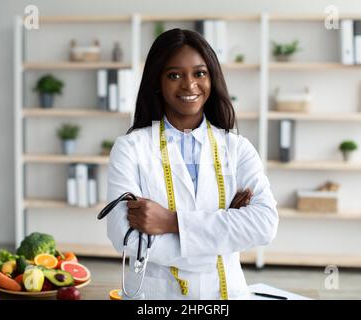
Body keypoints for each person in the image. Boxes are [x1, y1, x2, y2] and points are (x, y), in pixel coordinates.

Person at [105, 28, 278, 300]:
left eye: (200, 73)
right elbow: (126, 238)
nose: (189, 85)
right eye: (174, 75)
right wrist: (223, 235)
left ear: (212, 78)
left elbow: (265, 224)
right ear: (157, 82)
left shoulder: (238, 148)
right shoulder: (130, 149)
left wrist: (170, 221)